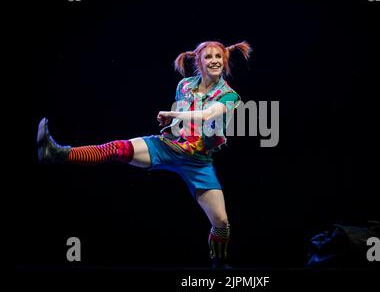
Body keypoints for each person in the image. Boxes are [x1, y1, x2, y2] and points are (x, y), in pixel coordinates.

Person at [37, 40, 252, 268]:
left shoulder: (230, 96)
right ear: (198, 61)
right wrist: (172, 120)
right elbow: (184, 122)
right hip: (167, 147)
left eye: (218, 57)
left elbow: (209, 115)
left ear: (225, 61)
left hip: (198, 162)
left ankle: (219, 265)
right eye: (208, 57)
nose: (214, 61)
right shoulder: (185, 86)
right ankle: (57, 154)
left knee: (221, 221)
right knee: (117, 148)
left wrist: (172, 113)